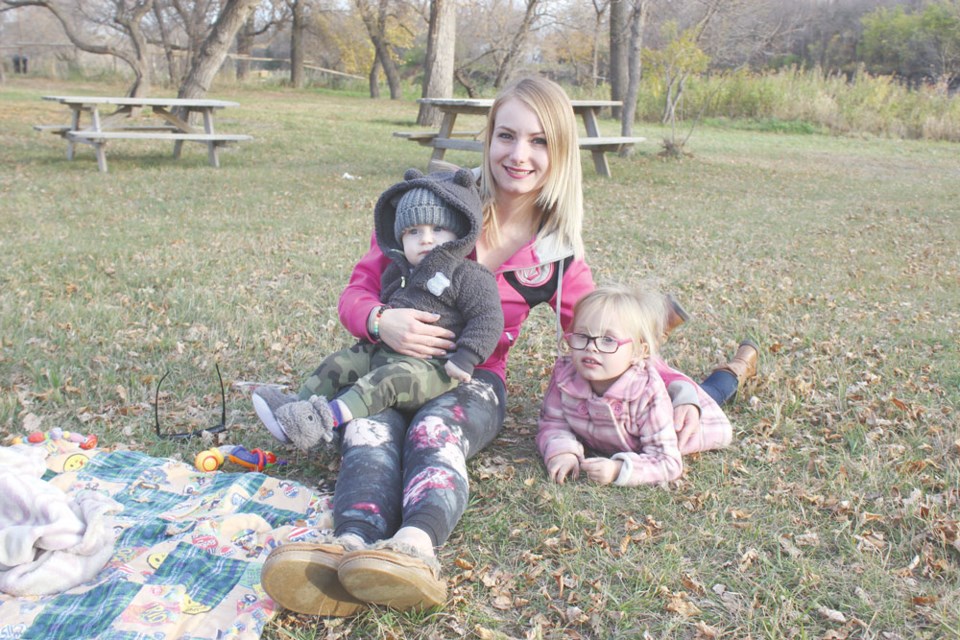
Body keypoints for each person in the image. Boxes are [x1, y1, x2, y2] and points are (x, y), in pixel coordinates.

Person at [258, 76, 758, 617]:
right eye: (507, 136)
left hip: (473, 382)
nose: (519, 155)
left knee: (432, 432)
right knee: (368, 427)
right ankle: (347, 549)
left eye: (540, 141)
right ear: (488, 137)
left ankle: (412, 552)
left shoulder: (557, 253)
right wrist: (381, 320)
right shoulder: (442, 202)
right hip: (390, 361)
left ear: (560, 151)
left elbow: (610, 337)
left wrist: (682, 391)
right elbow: (356, 290)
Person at [251, 168, 503, 451]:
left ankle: (327, 421)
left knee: (385, 381)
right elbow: (368, 298)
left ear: (459, 232)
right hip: (383, 349)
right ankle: (296, 410)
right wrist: (379, 322)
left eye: (438, 229)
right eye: (414, 231)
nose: (426, 239)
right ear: (400, 237)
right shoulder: (398, 270)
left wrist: (467, 356)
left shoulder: (468, 275)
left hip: (433, 368)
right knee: (339, 362)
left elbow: (488, 318)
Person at [537, 284, 732, 486]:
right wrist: (562, 452)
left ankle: (733, 372)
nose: (591, 347)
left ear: (639, 351)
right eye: (582, 336)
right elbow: (553, 423)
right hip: (650, 390)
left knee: (713, 392)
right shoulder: (566, 374)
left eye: (608, 340)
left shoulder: (648, 394)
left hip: (683, 417)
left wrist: (618, 469)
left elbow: (667, 461)